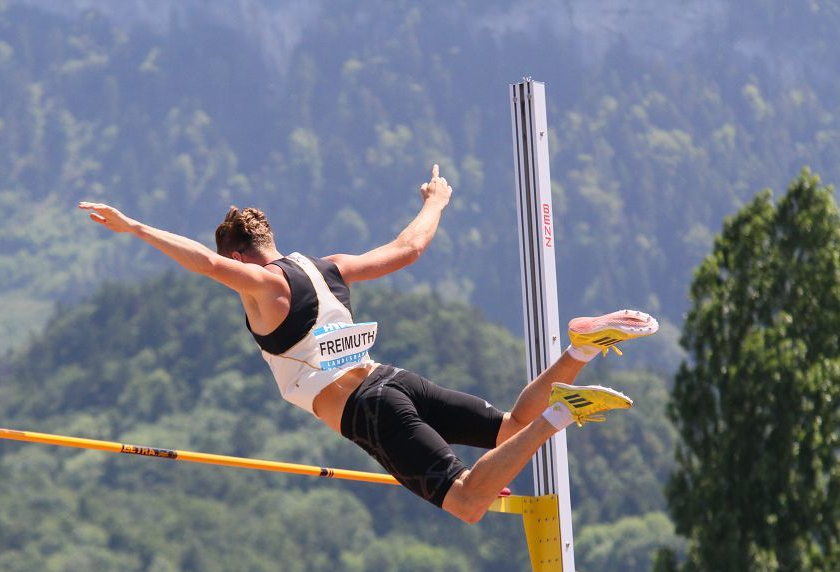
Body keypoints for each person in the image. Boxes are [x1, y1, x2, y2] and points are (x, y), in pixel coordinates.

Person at [79, 165, 657, 523]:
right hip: (392, 379)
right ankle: (580, 349)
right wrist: (436, 200)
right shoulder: (329, 267)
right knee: (509, 430)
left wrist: (135, 227)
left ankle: (561, 414)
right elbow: (408, 249)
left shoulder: (262, 285)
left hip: (368, 408)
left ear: (238, 256)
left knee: (467, 501)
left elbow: (204, 264)